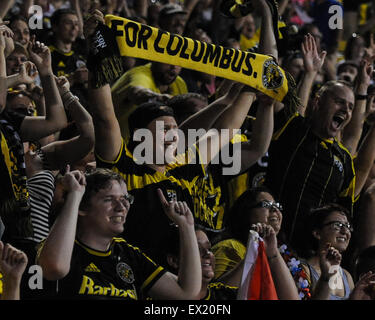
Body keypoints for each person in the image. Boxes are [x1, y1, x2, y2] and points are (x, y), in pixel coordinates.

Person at [37, 168, 202, 300]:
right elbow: (55, 268)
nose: (121, 207)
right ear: (82, 208)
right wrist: (74, 195)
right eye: (109, 199)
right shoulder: (59, 247)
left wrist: (186, 227)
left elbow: (186, 293)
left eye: (125, 199)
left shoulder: (127, 254)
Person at [211, 186, 301, 300]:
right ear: (246, 212)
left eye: (277, 206)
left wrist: (273, 254)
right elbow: (218, 296)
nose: (275, 210)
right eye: (266, 205)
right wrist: (253, 252)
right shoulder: (229, 247)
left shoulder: (281, 255)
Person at [111, 61, 188, 140]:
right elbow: (137, 92)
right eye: (168, 60)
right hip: (116, 143)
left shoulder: (179, 83)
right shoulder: (139, 74)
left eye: (179, 62)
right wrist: (159, 99)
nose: (174, 66)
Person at [165, 225, 238, 300]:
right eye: (197, 249)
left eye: (209, 248)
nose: (207, 254)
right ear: (174, 260)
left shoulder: (225, 295)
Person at [300, 203, 355, 300]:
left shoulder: (346, 276)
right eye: (337, 225)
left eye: (347, 226)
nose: (345, 231)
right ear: (317, 233)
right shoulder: (303, 270)